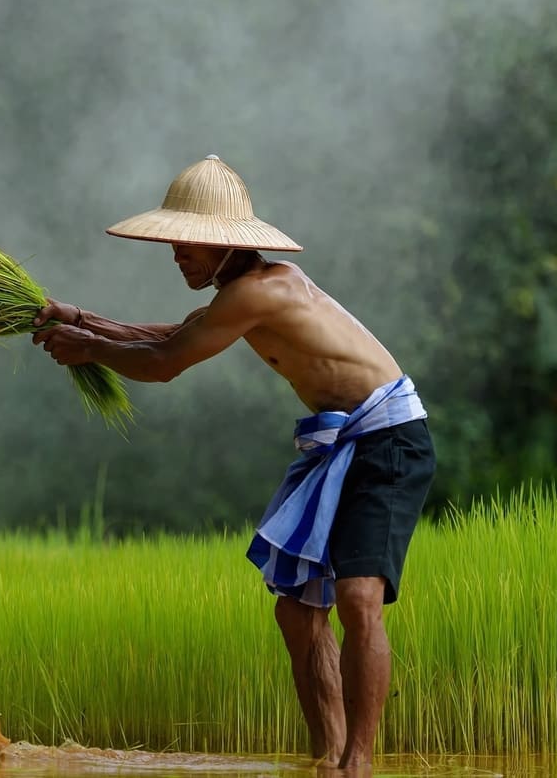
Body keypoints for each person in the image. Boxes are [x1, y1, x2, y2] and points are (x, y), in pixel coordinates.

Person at [31, 155, 435, 773]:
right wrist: (80, 319)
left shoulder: (261, 290)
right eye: (173, 244)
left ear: (224, 243)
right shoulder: (239, 296)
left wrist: (89, 348)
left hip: (389, 440)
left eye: (186, 243)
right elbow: (172, 335)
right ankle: (326, 757)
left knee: (358, 598)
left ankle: (358, 764)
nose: (176, 256)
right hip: (343, 443)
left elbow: (165, 363)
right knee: (297, 612)